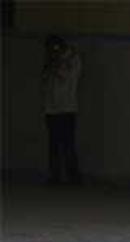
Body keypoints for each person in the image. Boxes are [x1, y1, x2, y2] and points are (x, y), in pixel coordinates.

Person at [42, 35, 82, 185]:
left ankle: (73, 176)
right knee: (53, 145)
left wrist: (58, 62)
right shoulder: (51, 62)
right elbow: (46, 82)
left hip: (67, 109)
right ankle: (55, 176)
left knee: (67, 144)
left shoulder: (72, 60)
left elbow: (66, 77)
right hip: (51, 109)